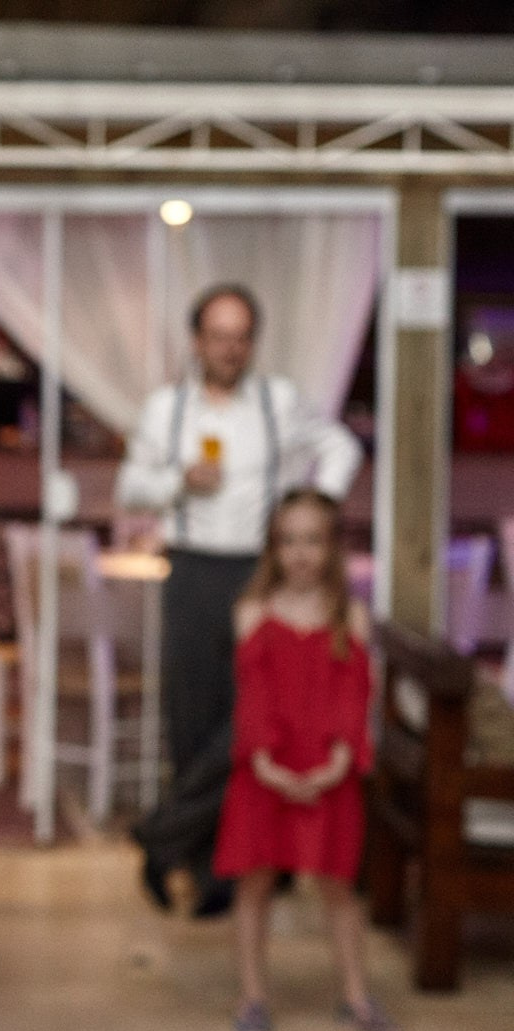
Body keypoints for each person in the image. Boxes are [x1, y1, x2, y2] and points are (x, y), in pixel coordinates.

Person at [118, 285, 361, 916]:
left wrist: (312, 511)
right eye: (219, 336)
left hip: (259, 575)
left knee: (253, 721)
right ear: (197, 341)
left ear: (253, 342)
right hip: (191, 572)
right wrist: (178, 482)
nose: (230, 348)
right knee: (192, 723)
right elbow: (131, 487)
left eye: (241, 336)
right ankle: (209, 875)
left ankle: (164, 835)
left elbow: (342, 447)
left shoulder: (279, 402)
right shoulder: (167, 409)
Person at [215, 490, 397, 1031]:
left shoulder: (350, 617)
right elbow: (254, 693)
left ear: (332, 548)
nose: (299, 553)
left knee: (338, 887)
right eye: (288, 541)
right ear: (273, 548)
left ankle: (356, 996)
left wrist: (340, 759)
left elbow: (354, 694)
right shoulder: (252, 612)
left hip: (329, 772)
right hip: (264, 770)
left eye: (312, 541)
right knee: (255, 884)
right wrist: (264, 760)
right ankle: (252, 998)